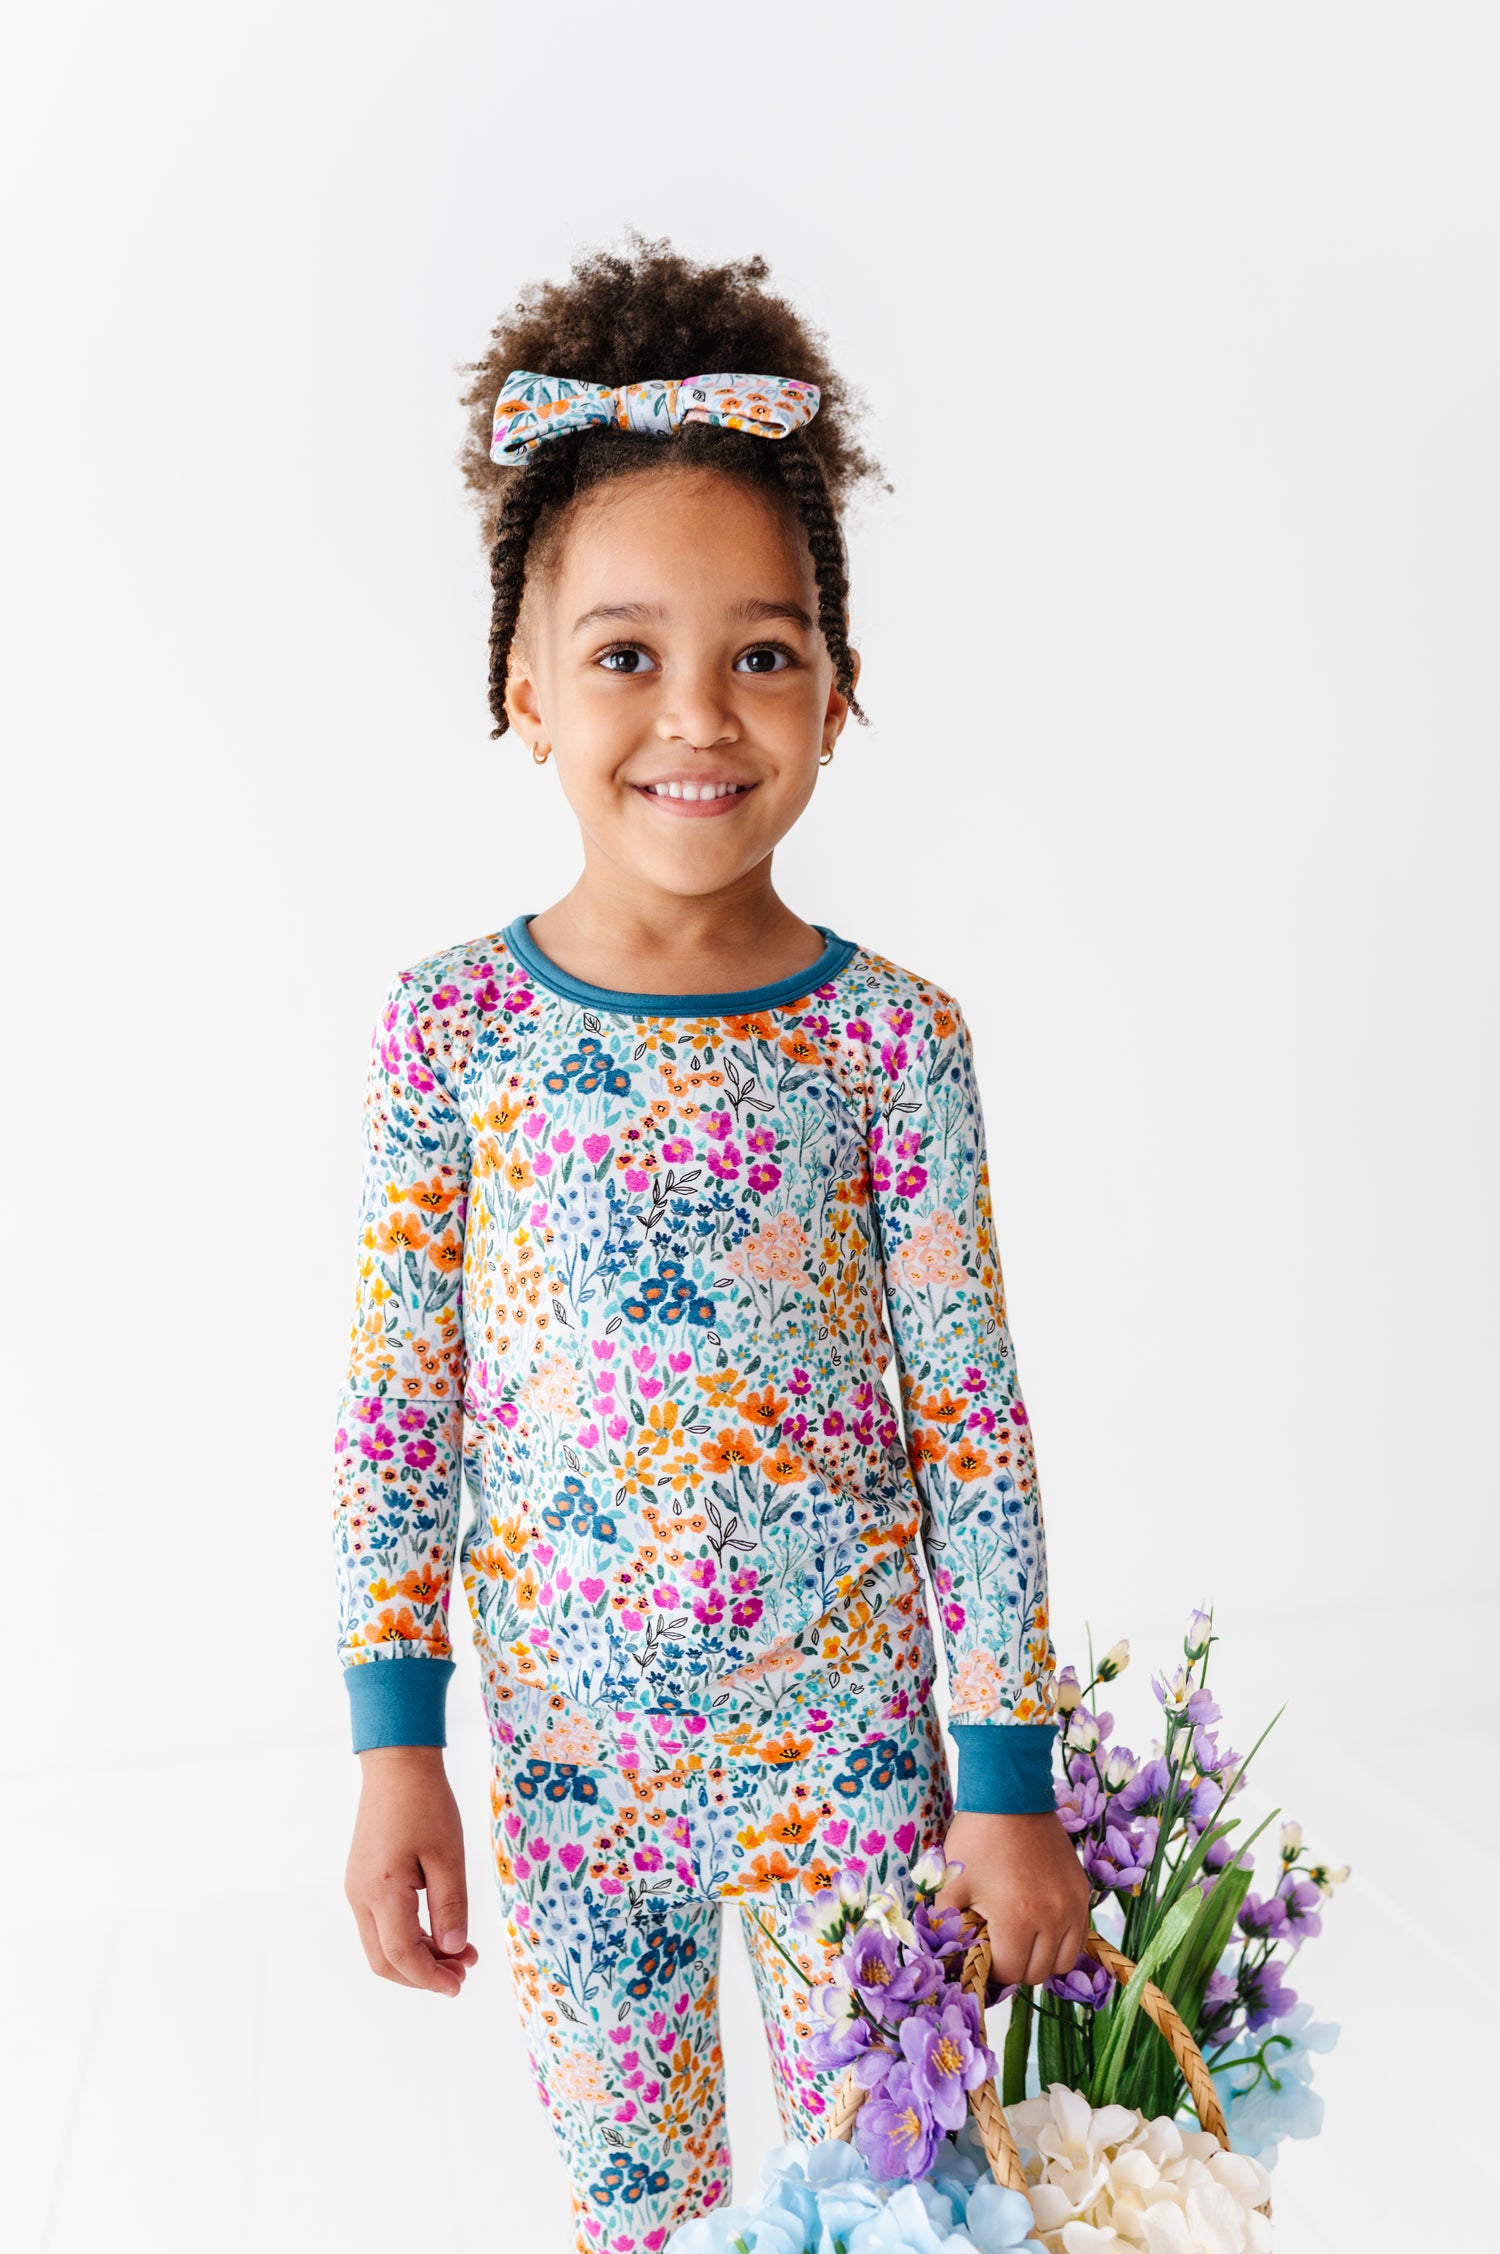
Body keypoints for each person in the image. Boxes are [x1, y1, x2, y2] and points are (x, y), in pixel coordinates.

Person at [333, 232, 1092, 2250]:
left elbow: (975, 1428)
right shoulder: (454, 1032)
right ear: (519, 686)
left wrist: (1005, 1774)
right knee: (635, 2215)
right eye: (623, 653)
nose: (699, 711)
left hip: (853, 1765)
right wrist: (397, 1743)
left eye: (763, 650)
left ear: (842, 690)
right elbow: (400, 1412)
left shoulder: (888, 1039)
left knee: (904, 2197)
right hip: (570, 1776)